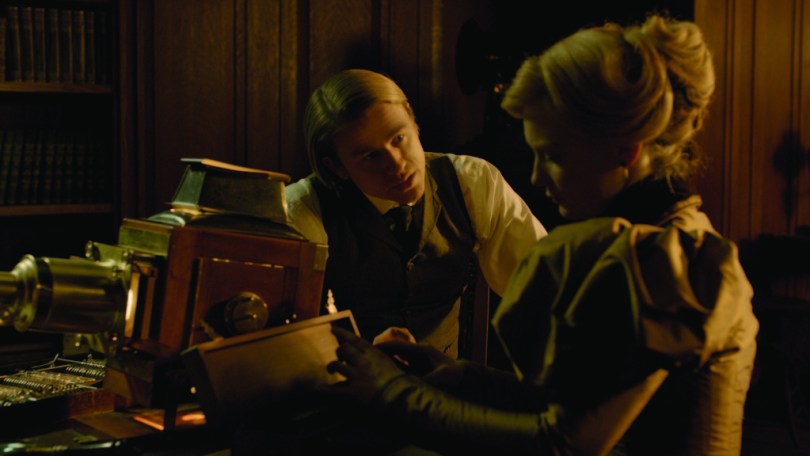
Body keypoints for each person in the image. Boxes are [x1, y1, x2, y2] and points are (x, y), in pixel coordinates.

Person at [325, 14, 759, 455]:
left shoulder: (661, 260)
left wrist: (391, 393)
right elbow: (585, 401)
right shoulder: (664, 240)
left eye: (552, 156)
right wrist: (463, 379)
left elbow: (561, 444)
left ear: (626, 152)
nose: (537, 177)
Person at [285, 68, 546, 358]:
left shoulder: (471, 182)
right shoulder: (301, 210)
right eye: (371, 156)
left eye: (398, 138)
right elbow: (284, 343)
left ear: (411, 116)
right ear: (337, 166)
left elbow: (543, 288)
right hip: (346, 380)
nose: (397, 165)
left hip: (444, 380)